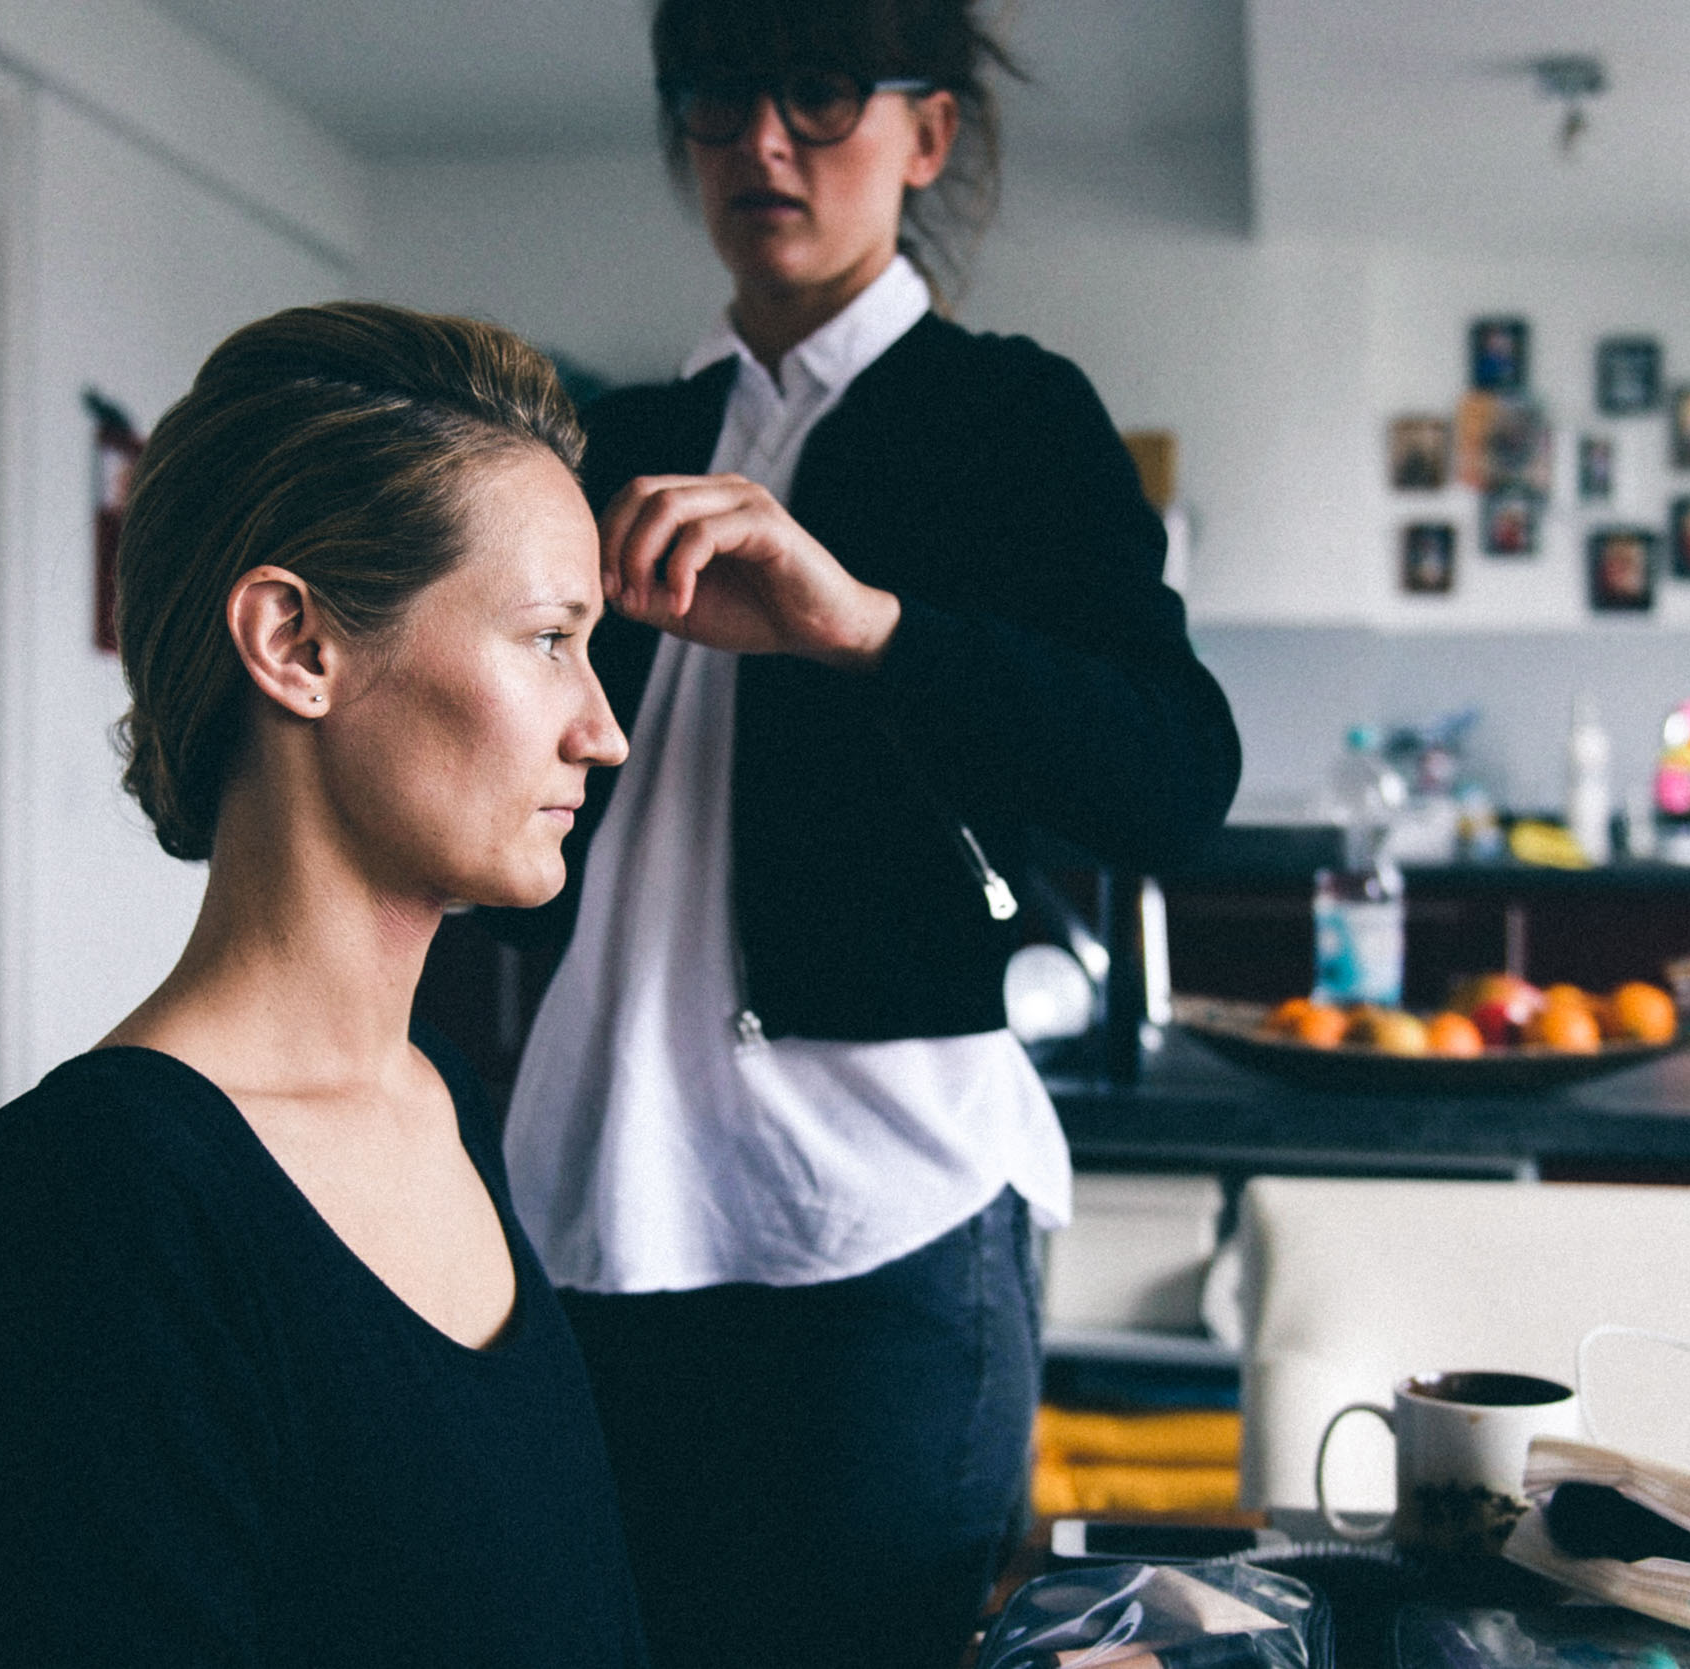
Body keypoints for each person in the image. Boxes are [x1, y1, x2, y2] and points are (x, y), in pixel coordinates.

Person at [488, 3, 1244, 1667]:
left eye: (820, 91)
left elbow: (1178, 774)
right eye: (716, 96)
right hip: (582, 1196)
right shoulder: (611, 438)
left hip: (875, 1222)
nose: (761, 140)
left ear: (931, 133)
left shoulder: (1010, 418)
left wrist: (869, 625)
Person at [0, 303, 641, 1669]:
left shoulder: (441, 1105)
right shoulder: (89, 1208)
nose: (603, 726)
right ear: (297, 643)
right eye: (547, 638)